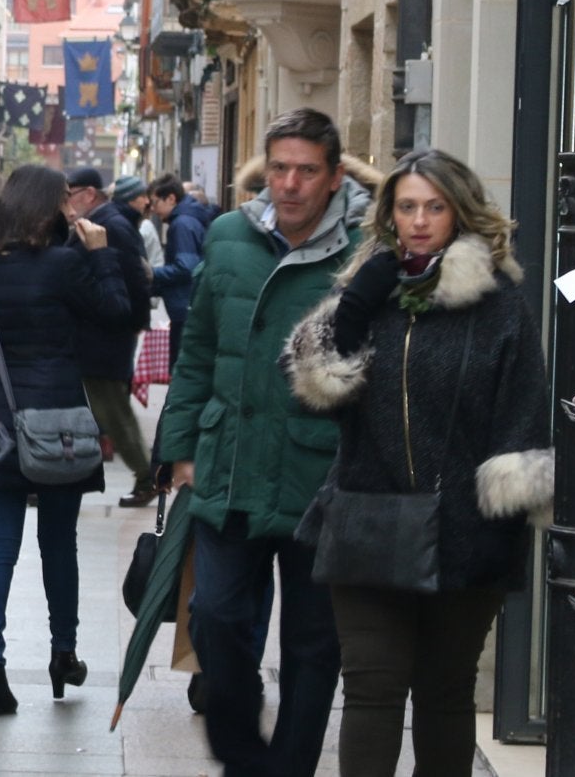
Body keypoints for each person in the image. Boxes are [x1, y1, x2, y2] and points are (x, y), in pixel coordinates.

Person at [286, 149, 551, 777]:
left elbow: (522, 411)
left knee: (444, 694)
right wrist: (352, 311)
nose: (420, 221)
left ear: (460, 213)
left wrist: (501, 524)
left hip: (464, 532)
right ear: (389, 213)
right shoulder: (367, 292)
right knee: (372, 692)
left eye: (435, 207)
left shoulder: (499, 304)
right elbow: (317, 397)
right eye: (407, 207)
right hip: (366, 521)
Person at [158, 109, 369, 777]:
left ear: (334, 177)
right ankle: (243, 751)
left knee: (314, 643)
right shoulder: (227, 235)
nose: (290, 183)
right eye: (279, 167)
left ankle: (290, 767)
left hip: (321, 478)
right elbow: (195, 354)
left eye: (307, 170)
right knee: (215, 617)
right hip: (231, 467)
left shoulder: (366, 250)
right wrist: (180, 449)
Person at [0, 165, 131, 717]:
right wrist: (101, 252)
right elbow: (117, 312)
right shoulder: (64, 266)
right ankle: (63, 653)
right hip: (57, 421)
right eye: (64, 202)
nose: (72, 211)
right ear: (48, 207)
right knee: (59, 543)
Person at [64, 166, 157, 509]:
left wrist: (133, 322)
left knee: (112, 411)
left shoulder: (110, 225)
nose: (67, 202)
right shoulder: (102, 220)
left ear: (89, 194)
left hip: (103, 337)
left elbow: (133, 278)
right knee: (102, 410)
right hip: (95, 335)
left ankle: (148, 477)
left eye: (70, 193)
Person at [150, 173, 213, 372]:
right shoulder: (189, 219)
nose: (152, 209)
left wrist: (153, 273)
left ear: (170, 198)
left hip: (184, 307)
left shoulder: (181, 224)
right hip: (189, 305)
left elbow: (187, 267)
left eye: (155, 202)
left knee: (181, 370)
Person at [114, 174, 165, 278]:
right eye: (143, 196)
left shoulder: (136, 225)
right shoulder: (124, 226)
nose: (147, 202)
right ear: (130, 198)